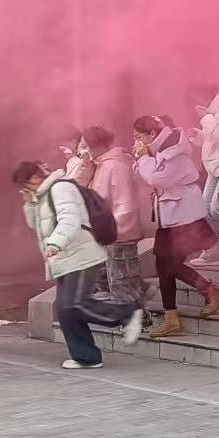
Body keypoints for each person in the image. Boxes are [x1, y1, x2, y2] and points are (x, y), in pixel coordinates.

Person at [14, 160, 143, 368]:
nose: (25, 189)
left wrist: (56, 243)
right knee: (66, 311)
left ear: (35, 178)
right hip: (64, 259)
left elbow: (70, 219)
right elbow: (37, 227)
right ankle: (86, 357)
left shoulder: (61, 188)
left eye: (26, 184)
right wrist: (31, 204)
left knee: (74, 305)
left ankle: (127, 313)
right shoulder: (42, 195)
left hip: (82, 255)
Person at [134, 115, 219, 338]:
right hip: (171, 215)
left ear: (152, 134)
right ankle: (177, 314)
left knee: (168, 265)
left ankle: (205, 294)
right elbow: (144, 174)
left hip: (185, 217)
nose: (136, 141)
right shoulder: (159, 150)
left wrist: (143, 158)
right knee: (164, 265)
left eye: (139, 136)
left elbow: (156, 179)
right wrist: (142, 158)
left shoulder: (175, 151)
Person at [83, 125, 150, 313]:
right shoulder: (102, 165)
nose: (84, 151)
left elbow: (125, 203)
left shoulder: (115, 166)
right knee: (115, 284)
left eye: (85, 145)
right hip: (109, 234)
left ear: (95, 145)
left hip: (119, 236)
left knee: (123, 285)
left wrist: (113, 231)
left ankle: (136, 321)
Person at [192, 91, 219, 265]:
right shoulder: (210, 111)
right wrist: (198, 136)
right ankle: (213, 248)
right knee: (204, 209)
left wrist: (206, 119)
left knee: (218, 208)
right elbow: (210, 140)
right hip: (214, 167)